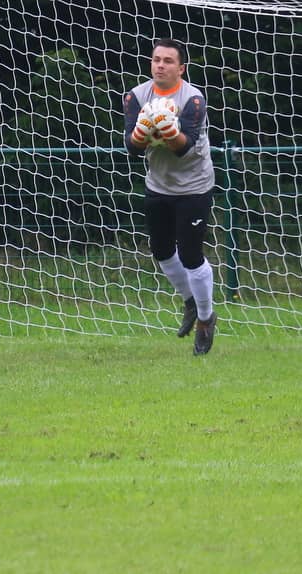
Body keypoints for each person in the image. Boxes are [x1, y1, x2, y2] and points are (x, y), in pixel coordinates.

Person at [123, 38, 217, 355]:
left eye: (168, 61)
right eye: (156, 60)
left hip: (194, 185)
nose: (160, 66)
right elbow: (132, 148)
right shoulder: (136, 96)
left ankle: (205, 320)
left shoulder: (193, 99)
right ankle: (190, 302)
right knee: (161, 249)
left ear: (181, 68)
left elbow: (183, 148)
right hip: (158, 184)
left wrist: (165, 128)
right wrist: (143, 130)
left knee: (191, 255)